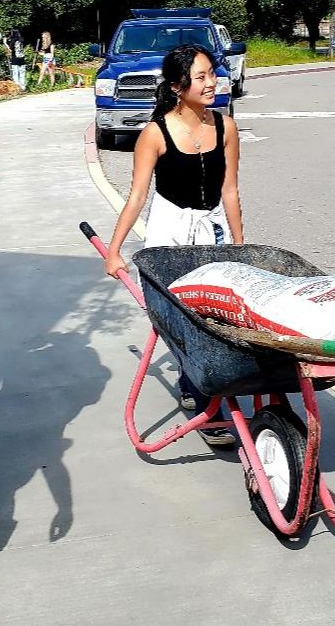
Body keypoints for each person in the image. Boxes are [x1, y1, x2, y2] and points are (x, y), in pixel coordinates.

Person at [103, 44, 243, 446]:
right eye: (200, 77)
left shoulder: (226, 127)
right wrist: (115, 252)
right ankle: (203, 396)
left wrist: (238, 244)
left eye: (211, 74)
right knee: (183, 314)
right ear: (178, 87)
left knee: (218, 312)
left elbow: (230, 189)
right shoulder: (155, 134)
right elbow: (136, 197)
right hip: (171, 233)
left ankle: (206, 383)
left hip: (211, 225)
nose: (211, 82)